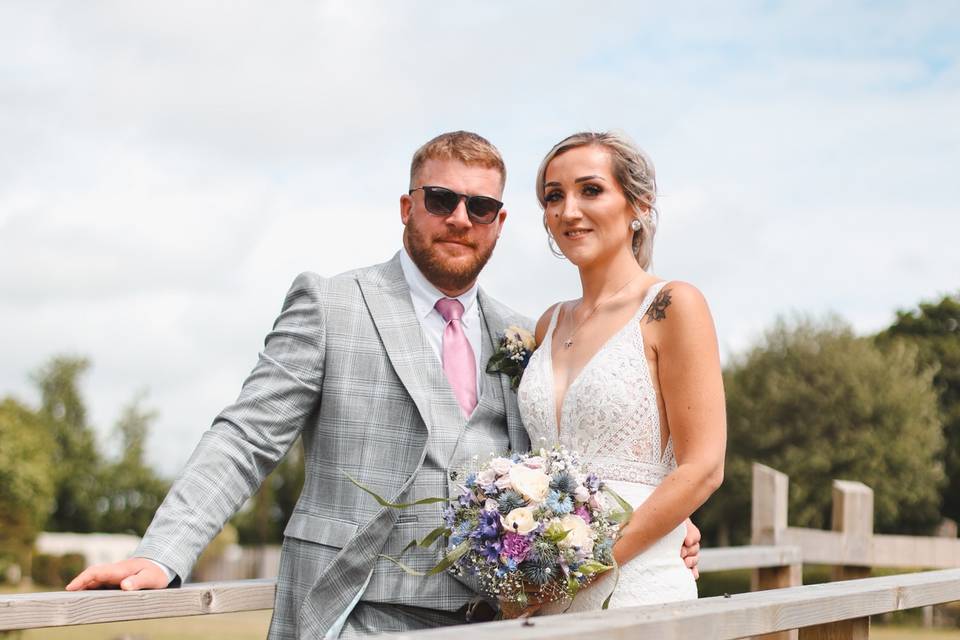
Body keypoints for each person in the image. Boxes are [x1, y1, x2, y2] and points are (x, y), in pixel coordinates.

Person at [66, 131, 702, 638]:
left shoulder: (525, 333)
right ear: (407, 207)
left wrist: (650, 518)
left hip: (497, 618)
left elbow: (564, 453)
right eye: (440, 200)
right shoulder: (332, 304)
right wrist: (162, 553)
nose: (459, 218)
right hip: (354, 612)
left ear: (500, 223)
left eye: (479, 207)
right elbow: (245, 437)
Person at [516, 131, 726, 614]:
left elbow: (703, 469)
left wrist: (587, 567)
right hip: (546, 591)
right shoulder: (548, 323)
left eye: (590, 190)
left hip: (637, 584)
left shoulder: (672, 305)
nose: (569, 210)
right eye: (554, 196)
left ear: (639, 205)